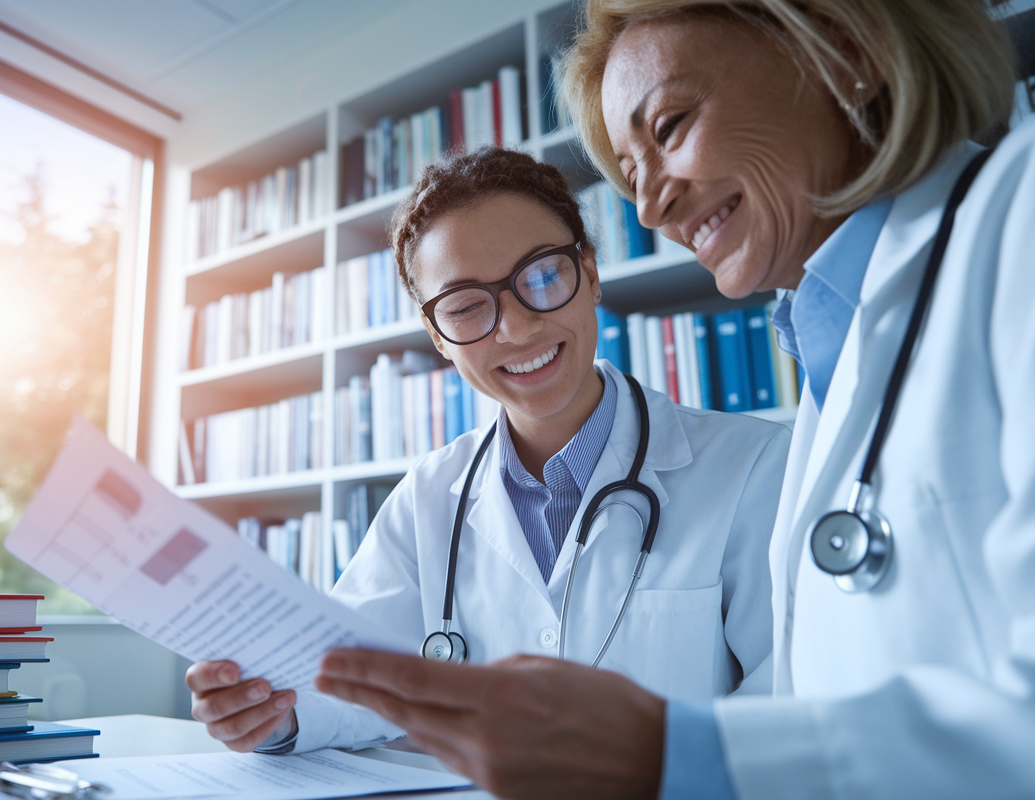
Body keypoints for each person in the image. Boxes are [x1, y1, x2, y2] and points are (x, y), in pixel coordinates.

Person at [313, 1, 1035, 798]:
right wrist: (279, 706)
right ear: (437, 336)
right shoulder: (841, 359)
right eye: (629, 174)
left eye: (670, 126)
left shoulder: (1018, 216)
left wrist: (674, 753)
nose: (650, 208)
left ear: (844, 49)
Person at [186, 147, 792, 757]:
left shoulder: (753, 467)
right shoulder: (426, 497)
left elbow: (790, 696)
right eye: (467, 306)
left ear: (590, 272)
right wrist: (271, 710)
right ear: (439, 338)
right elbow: (353, 677)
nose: (516, 329)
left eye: (544, 276)